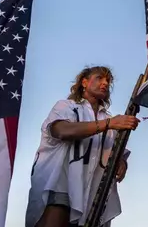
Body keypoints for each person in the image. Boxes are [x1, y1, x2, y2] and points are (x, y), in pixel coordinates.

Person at [25, 66, 140, 227]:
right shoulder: (67, 106)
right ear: (84, 82)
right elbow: (61, 131)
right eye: (100, 78)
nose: (105, 83)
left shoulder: (109, 118)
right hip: (61, 185)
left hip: (93, 195)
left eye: (108, 80)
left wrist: (121, 162)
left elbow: (115, 151)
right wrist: (109, 124)